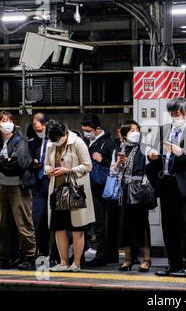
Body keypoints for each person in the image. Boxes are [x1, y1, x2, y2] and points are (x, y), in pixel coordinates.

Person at [146, 97, 186, 278]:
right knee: (168, 228)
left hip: (184, 186)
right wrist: (152, 157)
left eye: (177, 114)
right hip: (166, 183)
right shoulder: (164, 130)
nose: (174, 117)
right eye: (171, 114)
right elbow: (155, 154)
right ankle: (174, 264)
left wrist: (179, 153)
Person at [0, 111, 36, 270]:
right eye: (3, 121)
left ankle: (30, 257)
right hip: (1, 186)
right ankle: (4, 257)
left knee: (24, 224)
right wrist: (4, 161)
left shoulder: (20, 140)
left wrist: (0, 163)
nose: (6, 123)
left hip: (18, 187)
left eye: (9, 120)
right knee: (1, 225)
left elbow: (18, 165)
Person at [45, 120, 95, 272]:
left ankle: (77, 263)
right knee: (58, 228)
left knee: (77, 228)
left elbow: (88, 165)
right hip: (57, 191)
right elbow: (46, 163)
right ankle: (63, 262)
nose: (56, 141)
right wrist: (49, 170)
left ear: (64, 132)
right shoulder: (51, 143)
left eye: (58, 138)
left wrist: (68, 170)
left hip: (74, 190)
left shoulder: (77, 142)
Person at [110, 120, 152, 272]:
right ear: (124, 135)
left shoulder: (145, 148)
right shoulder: (119, 149)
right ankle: (128, 259)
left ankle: (146, 259)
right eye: (131, 131)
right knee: (124, 224)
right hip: (124, 190)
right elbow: (112, 172)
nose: (135, 133)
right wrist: (118, 164)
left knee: (141, 224)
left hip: (138, 190)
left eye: (137, 130)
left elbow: (150, 170)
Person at [81, 114, 118, 266]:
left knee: (102, 223)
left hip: (103, 189)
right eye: (84, 130)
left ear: (97, 129)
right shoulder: (89, 142)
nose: (86, 133)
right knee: (99, 222)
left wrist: (102, 159)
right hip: (92, 187)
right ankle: (107, 254)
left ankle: (103, 255)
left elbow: (117, 164)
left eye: (88, 130)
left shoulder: (108, 143)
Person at [28, 113, 51, 256]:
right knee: (36, 220)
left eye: (40, 129)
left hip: (52, 183)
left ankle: (53, 254)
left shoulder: (55, 141)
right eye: (36, 130)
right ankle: (39, 253)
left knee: (52, 222)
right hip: (37, 184)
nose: (38, 132)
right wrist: (33, 164)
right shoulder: (33, 143)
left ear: (46, 125)